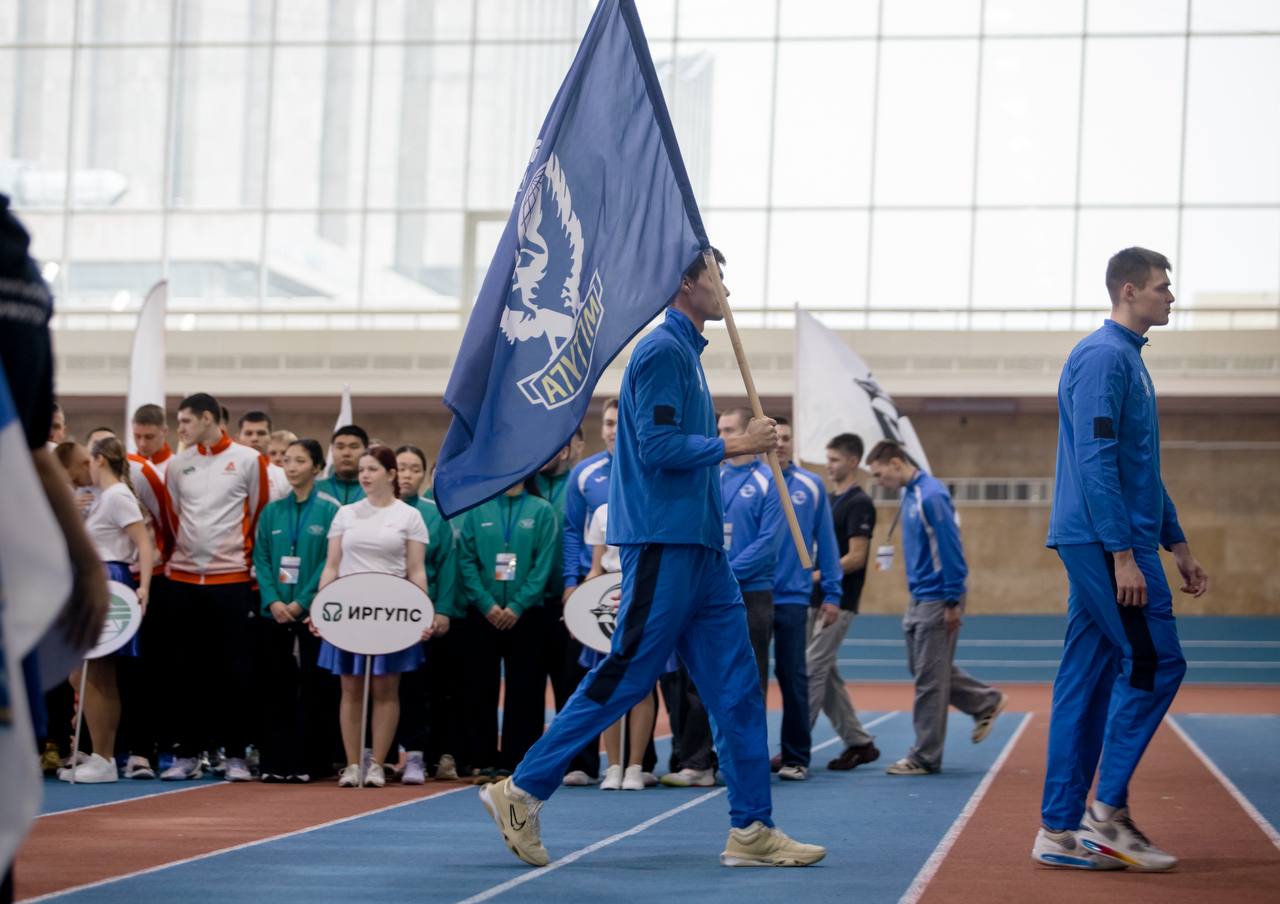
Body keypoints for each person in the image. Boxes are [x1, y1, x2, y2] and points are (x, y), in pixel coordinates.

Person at [481, 248, 825, 869]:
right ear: (685, 283)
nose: (727, 291)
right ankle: (522, 789)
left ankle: (752, 827)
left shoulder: (687, 355)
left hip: (703, 551)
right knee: (629, 673)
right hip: (664, 542)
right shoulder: (662, 351)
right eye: (718, 277)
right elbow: (659, 446)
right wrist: (738, 444)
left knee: (739, 690)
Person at [1032, 248, 1208, 872]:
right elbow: (1096, 460)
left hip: (1111, 537)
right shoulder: (1105, 357)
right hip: (1107, 541)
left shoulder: (1129, 359)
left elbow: (1140, 468)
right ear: (1129, 290)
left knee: (1085, 679)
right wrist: (1124, 555)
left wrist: (1177, 543)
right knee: (1157, 662)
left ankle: (1058, 831)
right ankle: (1105, 816)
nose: (1171, 296)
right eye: (1163, 287)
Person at [1, 193, 108, 904]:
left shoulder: (20, 269)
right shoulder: (23, 269)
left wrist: (83, 560)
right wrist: (84, 561)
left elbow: (29, 442)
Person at [866, 440, 1007, 776]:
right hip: (918, 595)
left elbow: (951, 550)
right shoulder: (908, 495)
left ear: (896, 463)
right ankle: (985, 702)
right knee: (922, 668)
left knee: (929, 680)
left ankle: (924, 756)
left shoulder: (931, 496)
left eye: (879, 474)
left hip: (938, 597)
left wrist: (953, 600)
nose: (878, 481)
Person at [152, 392, 269, 782]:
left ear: (207, 418)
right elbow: (171, 518)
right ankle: (187, 753)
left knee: (234, 670)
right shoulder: (178, 465)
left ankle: (235, 754)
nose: (180, 429)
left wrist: (247, 563)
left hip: (232, 580)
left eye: (185, 421)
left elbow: (259, 512)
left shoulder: (248, 460)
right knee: (184, 671)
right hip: (183, 580)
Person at [314, 445, 432, 788]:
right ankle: (353, 764)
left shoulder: (409, 516)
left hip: (390, 614)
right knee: (350, 688)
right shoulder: (346, 514)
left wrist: (421, 612)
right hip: (349, 613)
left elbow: (416, 570)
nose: (364, 475)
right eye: (362, 469)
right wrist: (321, 608)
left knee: (385, 689)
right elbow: (331, 566)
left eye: (372, 469)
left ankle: (378, 764)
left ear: (391, 474)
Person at [59, 436, 154, 783]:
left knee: (90, 674)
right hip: (92, 578)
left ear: (100, 460)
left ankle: (104, 757)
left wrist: (144, 587)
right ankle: (105, 756)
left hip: (108, 580)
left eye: (88, 461)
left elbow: (143, 543)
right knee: (94, 675)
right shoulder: (100, 497)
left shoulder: (117, 496)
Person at [253, 439, 342, 783]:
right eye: (287, 460)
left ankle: (311, 762)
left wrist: (302, 601)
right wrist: (272, 600)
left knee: (314, 688)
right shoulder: (272, 511)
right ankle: (274, 761)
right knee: (275, 687)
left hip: (311, 615)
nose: (290, 467)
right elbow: (261, 558)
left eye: (300, 461)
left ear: (317, 467)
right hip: (274, 612)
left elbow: (329, 561)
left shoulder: (331, 510)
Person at [457, 477, 558, 782]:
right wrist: (486, 603)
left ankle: (518, 759)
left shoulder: (541, 510)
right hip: (483, 614)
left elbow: (544, 564)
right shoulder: (477, 510)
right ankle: (483, 758)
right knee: (480, 687)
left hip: (526, 614)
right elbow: (466, 560)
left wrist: (518, 605)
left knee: (525, 688)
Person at [766, 417, 843, 782]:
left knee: (793, 676)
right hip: (750, 596)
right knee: (746, 679)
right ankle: (747, 755)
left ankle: (796, 757)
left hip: (793, 598)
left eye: (786, 438)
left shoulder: (811, 486)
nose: (780, 443)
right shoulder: (752, 480)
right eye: (775, 437)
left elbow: (827, 543)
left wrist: (833, 592)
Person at [807, 433, 880, 771]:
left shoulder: (859, 503)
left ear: (853, 461)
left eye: (835, 459)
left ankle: (796, 746)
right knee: (827, 677)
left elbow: (856, 557)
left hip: (840, 600)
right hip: (814, 598)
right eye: (828, 459)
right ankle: (860, 742)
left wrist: (817, 576)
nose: (829, 465)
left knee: (811, 670)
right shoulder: (828, 499)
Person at [557, 403, 618, 786]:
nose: (613, 430)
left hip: (636, 586)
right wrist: (570, 582)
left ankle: (637, 762)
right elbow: (570, 532)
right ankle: (582, 761)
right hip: (591, 586)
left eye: (620, 423)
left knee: (638, 674)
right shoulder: (585, 474)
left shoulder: (650, 469)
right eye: (608, 423)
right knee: (585, 676)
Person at [395, 444, 463, 784]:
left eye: (414, 469)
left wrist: (442, 610)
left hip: (424, 616)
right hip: (383, 615)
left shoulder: (434, 514)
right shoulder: (373, 512)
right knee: (386, 688)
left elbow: (447, 565)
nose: (406, 475)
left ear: (424, 475)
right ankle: (382, 756)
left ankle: (419, 756)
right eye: (401, 467)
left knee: (423, 688)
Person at [581, 502, 657, 791]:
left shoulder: (654, 506)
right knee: (609, 684)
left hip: (646, 594)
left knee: (643, 684)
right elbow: (595, 568)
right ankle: (613, 766)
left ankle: (635, 767)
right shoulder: (602, 512)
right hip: (609, 600)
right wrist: (580, 608)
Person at [238, 411, 289, 501]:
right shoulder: (225, 473)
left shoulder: (284, 476)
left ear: (270, 438)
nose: (254, 438)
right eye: (248, 433)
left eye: (261, 433)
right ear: (239, 437)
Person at [318, 425, 368, 505]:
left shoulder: (376, 490)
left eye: (354, 447)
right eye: (340, 447)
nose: (346, 453)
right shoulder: (315, 489)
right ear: (332, 451)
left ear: (366, 451)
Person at [130, 404, 174, 477]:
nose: (142, 444)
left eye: (149, 437)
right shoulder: (126, 465)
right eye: (137, 436)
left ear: (164, 431)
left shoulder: (178, 467)